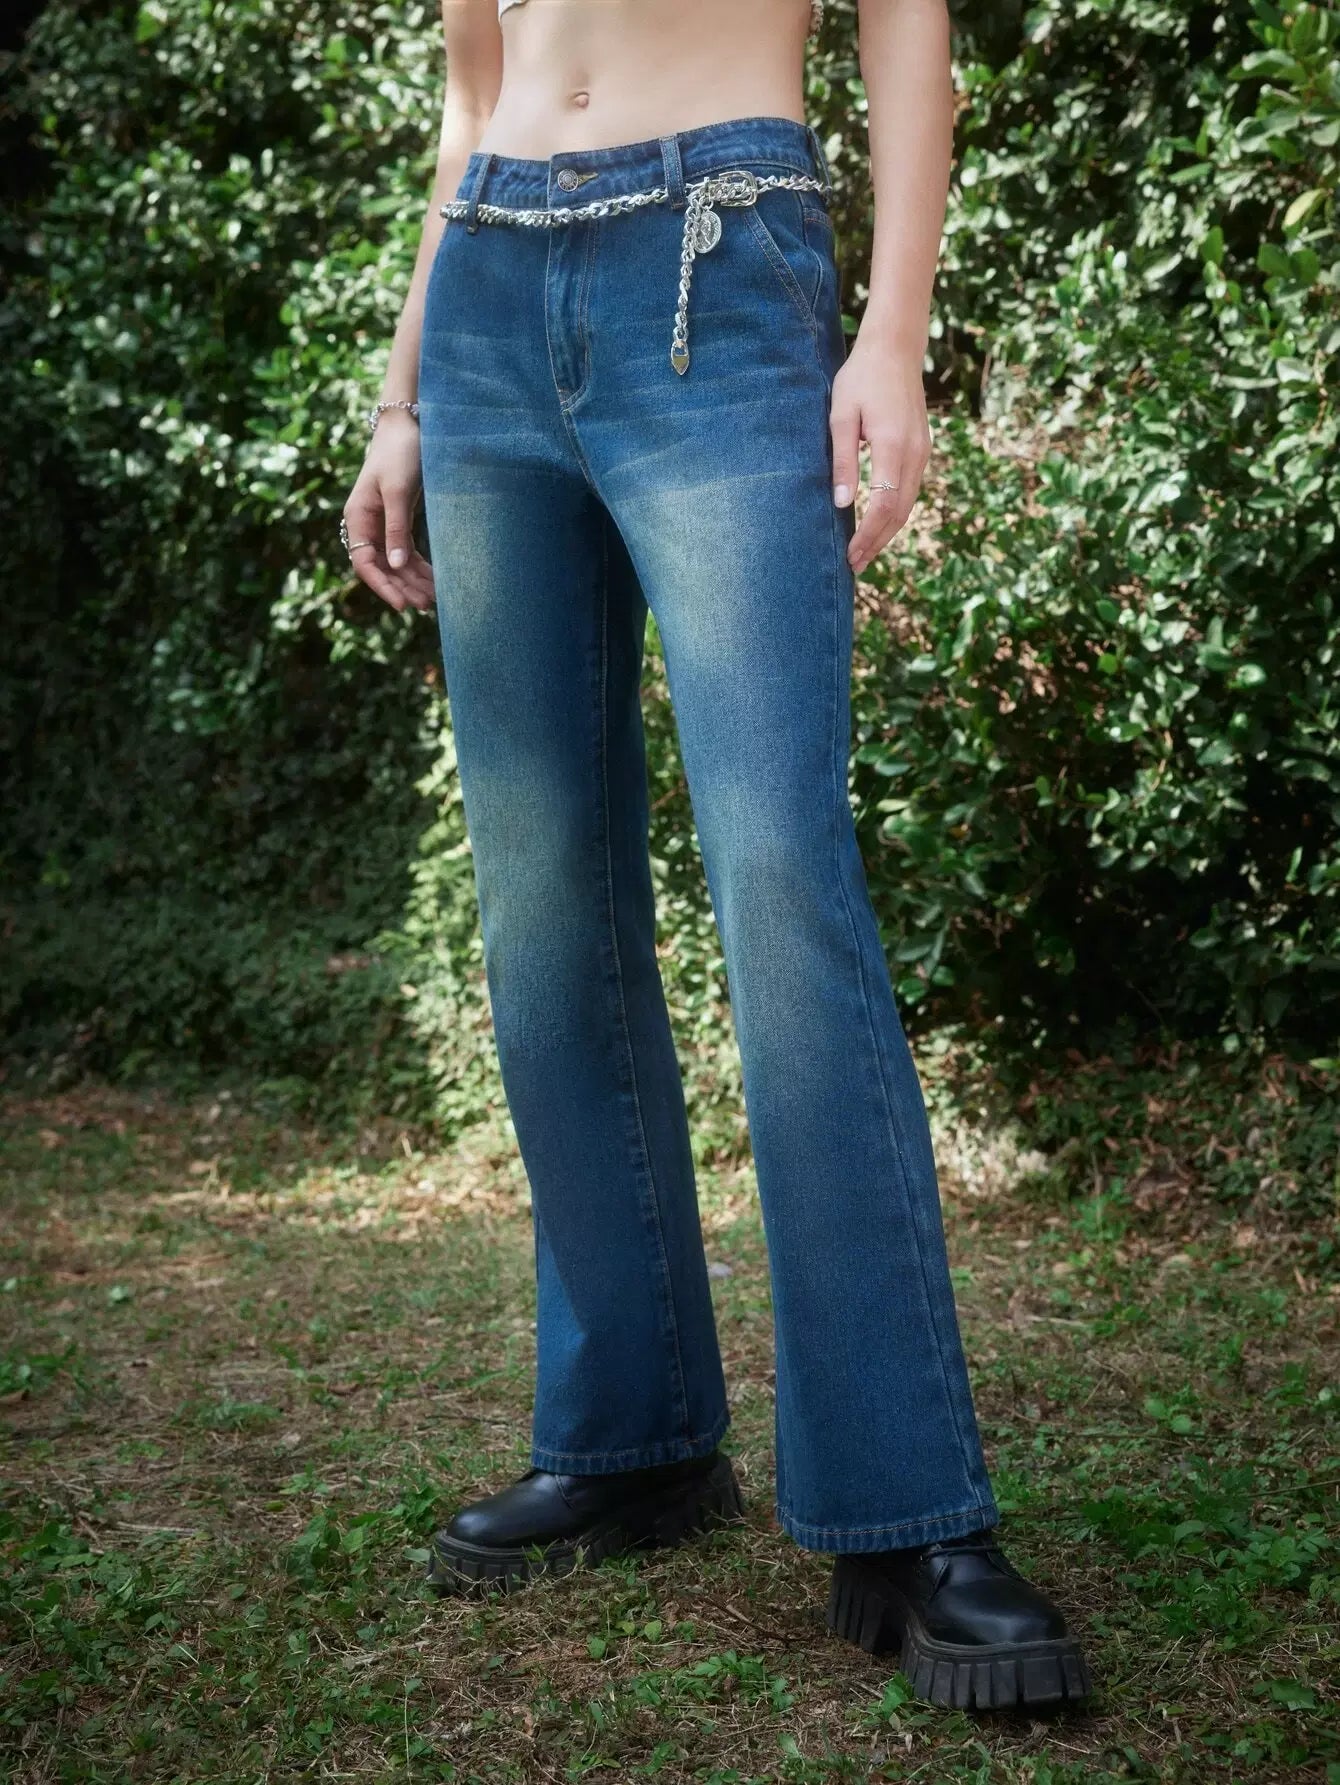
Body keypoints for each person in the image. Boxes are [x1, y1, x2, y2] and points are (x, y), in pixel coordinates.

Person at [341, 0, 1091, 1714]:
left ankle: (907, 1510)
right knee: (542, 903)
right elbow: (472, 92)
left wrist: (890, 337)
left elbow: (908, 42)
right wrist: (400, 397)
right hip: (486, 298)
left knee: (782, 884)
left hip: (718, 256)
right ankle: (632, 1438)